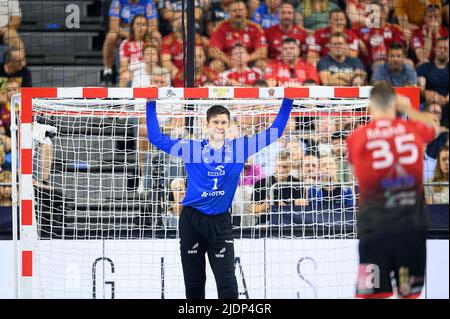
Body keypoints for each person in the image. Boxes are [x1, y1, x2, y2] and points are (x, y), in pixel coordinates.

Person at [146, 97, 293, 299]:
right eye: (215, 122)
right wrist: (150, 103)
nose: (220, 126)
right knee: (194, 282)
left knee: (227, 282)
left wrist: (288, 101)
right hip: (192, 220)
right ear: (207, 125)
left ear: (229, 125)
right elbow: (155, 138)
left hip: (220, 221)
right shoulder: (192, 149)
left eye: (224, 122)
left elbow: (274, 133)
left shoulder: (240, 148)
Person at [346, 81, 439, 299]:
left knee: (371, 295)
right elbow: (434, 127)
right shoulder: (413, 130)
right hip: (411, 230)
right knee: (409, 295)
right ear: (395, 103)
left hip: (375, 230)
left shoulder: (357, 137)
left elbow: (354, 174)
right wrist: (407, 109)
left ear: (371, 105)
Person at [101, 0, 160, 86]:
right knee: (111, 36)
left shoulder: (148, 2)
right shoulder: (118, 1)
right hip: (125, 32)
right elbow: (114, 26)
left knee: (157, 35)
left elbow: (153, 26)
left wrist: (142, 32)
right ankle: (107, 70)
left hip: (143, 31)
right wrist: (133, 34)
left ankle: (161, 65)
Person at [209, 1, 267, 73]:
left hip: (249, 62)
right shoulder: (220, 27)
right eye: (234, 11)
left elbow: (263, 51)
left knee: (262, 64)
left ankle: (259, 84)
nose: (238, 13)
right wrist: (228, 61)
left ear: (247, 12)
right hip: (228, 62)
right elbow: (213, 51)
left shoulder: (256, 28)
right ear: (228, 13)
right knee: (216, 64)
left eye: (241, 10)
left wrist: (247, 58)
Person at [416, 37, 449, 106]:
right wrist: (425, 93)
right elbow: (411, 83)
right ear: (435, 49)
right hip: (427, 105)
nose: (442, 50)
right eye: (440, 48)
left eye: (445, 48)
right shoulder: (425, 67)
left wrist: (446, 100)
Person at [0, 0, 25, 64]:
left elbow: (16, 18)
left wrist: (7, 28)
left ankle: (20, 68)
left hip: (5, 30)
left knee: (11, 34)